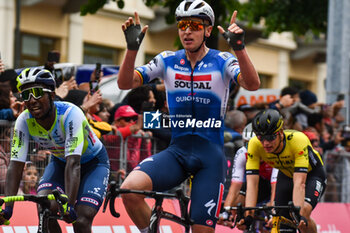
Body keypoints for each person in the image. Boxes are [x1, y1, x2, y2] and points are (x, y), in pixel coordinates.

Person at [117, 0, 260, 232]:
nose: (187, 30)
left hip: (209, 158)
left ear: (208, 30)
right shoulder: (167, 60)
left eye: (194, 25)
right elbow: (125, 83)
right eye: (183, 24)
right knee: (130, 190)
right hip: (178, 151)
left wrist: (240, 49)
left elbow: (252, 84)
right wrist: (132, 50)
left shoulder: (222, 61)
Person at [0, 68, 110, 233]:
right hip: (60, 162)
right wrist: (8, 207)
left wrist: (69, 204)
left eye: (37, 92)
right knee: (44, 209)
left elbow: (74, 164)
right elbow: (15, 165)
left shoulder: (71, 114)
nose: (31, 100)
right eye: (25, 95)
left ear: (51, 95)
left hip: (93, 164)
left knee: (80, 219)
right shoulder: (24, 120)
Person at [238, 109, 326, 233]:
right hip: (285, 175)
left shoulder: (297, 140)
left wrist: (298, 211)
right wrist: (249, 214)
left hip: (312, 175)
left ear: (280, 133)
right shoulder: (254, 144)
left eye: (270, 137)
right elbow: (252, 184)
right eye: (261, 137)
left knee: (301, 214)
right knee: (282, 224)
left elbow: (300, 183)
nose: (266, 143)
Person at [218, 123, 278, 229]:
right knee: (238, 202)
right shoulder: (242, 153)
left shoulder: (273, 153)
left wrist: (273, 210)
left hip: (277, 184)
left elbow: (275, 187)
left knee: (271, 218)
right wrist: (227, 211)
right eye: (246, 144)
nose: (250, 148)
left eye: (253, 144)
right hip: (259, 183)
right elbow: (235, 186)